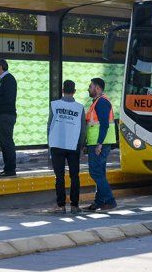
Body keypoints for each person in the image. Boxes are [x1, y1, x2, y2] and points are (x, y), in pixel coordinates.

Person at [48, 80, 86, 213]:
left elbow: (49, 125)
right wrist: (81, 145)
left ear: (62, 90)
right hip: (73, 144)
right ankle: (75, 206)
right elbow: (82, 129)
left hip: (57, 144)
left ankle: (61, 205)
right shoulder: (80, 107)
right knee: (74, 176)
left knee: (59, 176)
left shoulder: (54, 105)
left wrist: (50, 145)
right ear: (74, 91)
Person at [85, 77, 117, 211]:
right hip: (98, 143)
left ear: (97, 88)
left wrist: (99, 144)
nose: (89, 88)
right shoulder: (98, 102)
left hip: (99, 144)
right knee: (100, 173)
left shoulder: (102, 102)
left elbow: (104, 125)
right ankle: (99, 202)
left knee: (95, 172)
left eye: (91, 86)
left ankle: (109, 200)